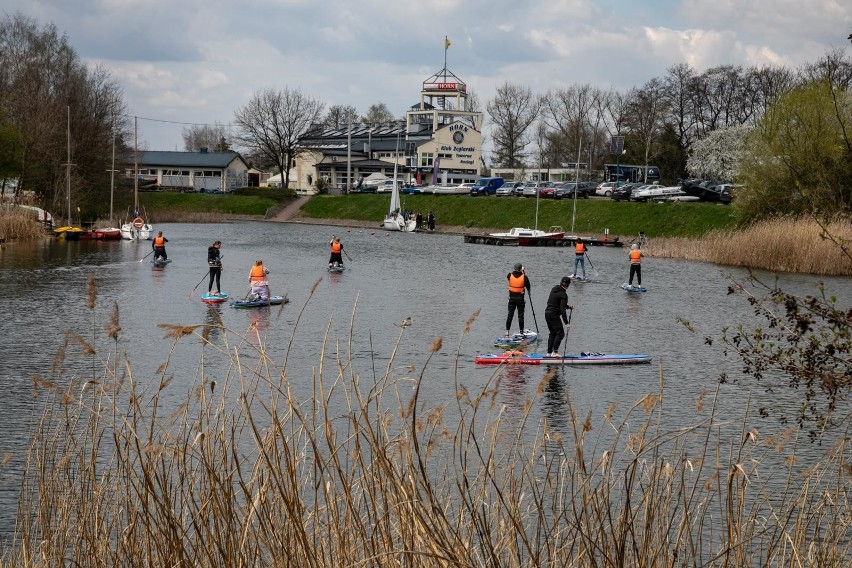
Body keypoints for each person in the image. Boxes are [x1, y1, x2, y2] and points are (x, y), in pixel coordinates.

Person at [545, 276, 574, 356]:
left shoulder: (554, 289)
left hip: (547, 312)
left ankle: (549, 353)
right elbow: (562, 310)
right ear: (568, 284)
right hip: (554, 314)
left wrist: (568, 307)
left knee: (552, 333)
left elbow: (557, 303)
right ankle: (555, 352)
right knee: (560, 333)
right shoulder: (563, 294)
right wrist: (566, 323)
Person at [505, 262, 531, 337]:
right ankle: (521, 332)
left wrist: (520, 271)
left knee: (510, 315)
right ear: (520, 269)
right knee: (520, 316)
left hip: (511, 299)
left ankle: (507, 331)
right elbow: (528, 286)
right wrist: (523, 272)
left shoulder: (509, 275)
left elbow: (515, 275)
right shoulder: (524, 277)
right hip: (520, 299)